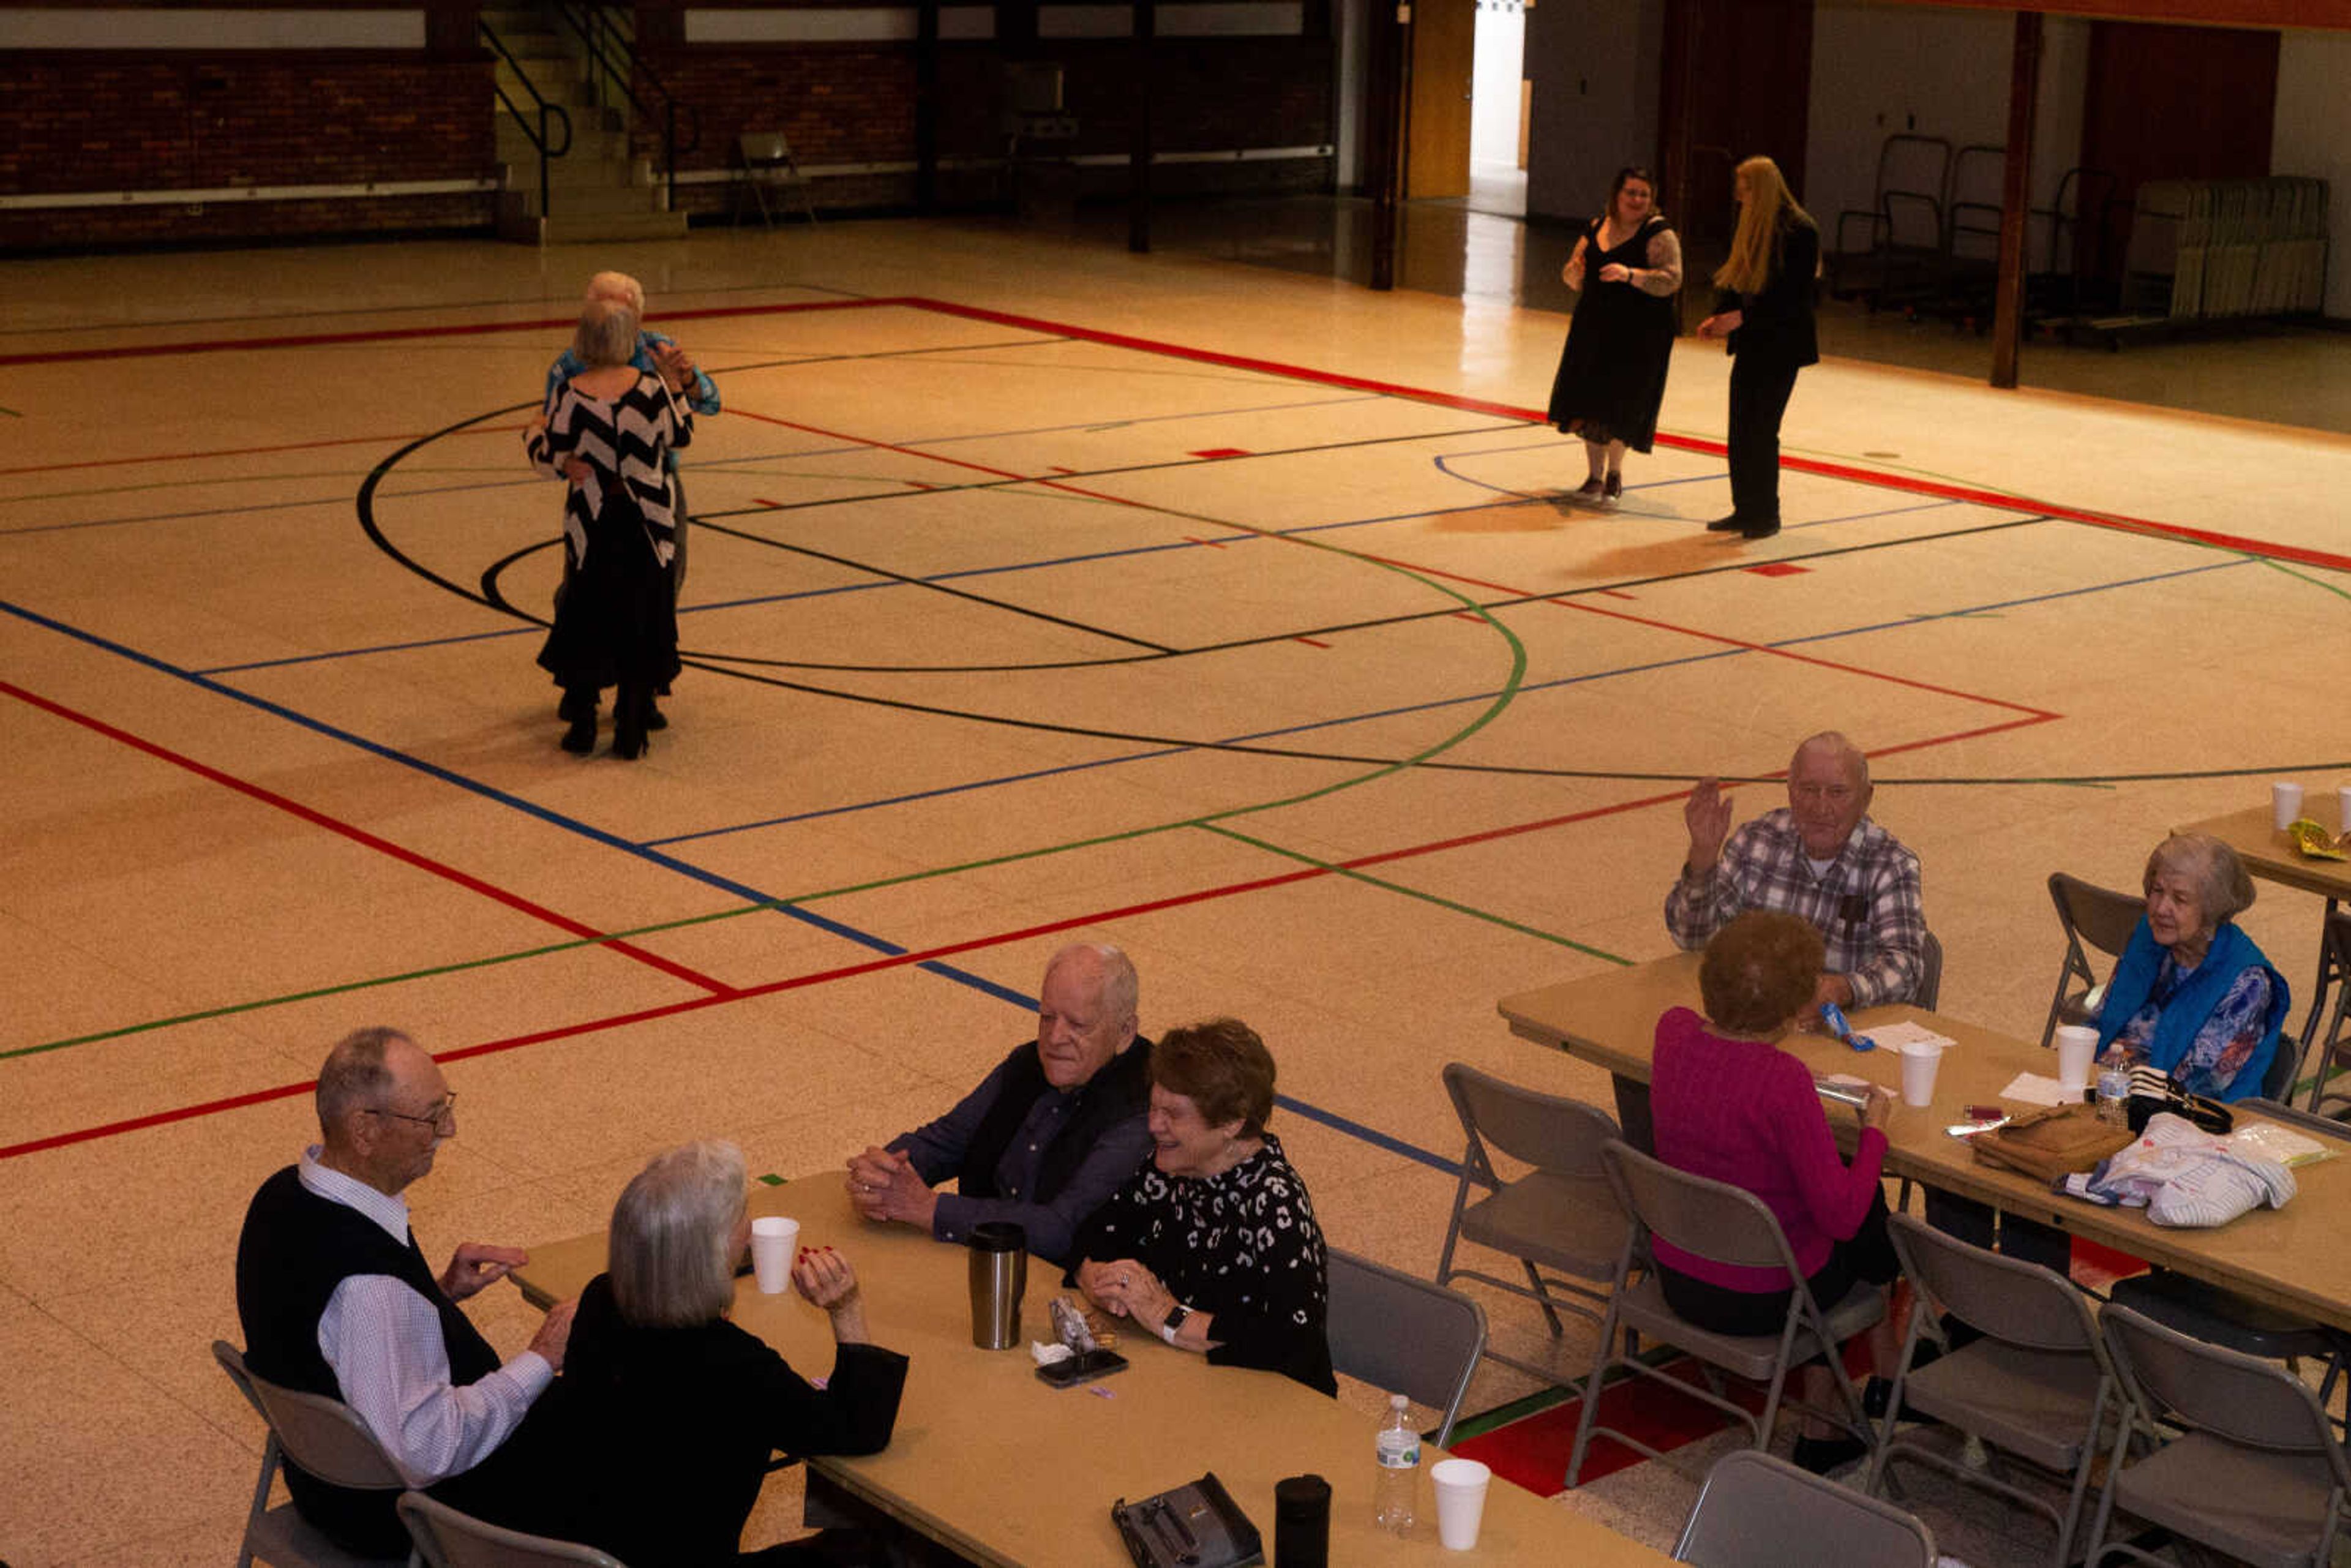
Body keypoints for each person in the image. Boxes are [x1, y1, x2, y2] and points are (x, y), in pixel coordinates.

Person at [233, 1027, 576, 1558]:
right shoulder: (370, 1283)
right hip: (405, 1516)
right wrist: (540, 1357)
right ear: (365, 1130)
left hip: (320, 1479)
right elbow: (425, 1448)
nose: (450, 1129)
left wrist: (435, 1295)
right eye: (432, 1117)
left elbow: (334, 1336)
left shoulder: (281, 1195)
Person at [500, 1141, 907, 1567]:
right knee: (874, 1555)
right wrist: (847, 1309)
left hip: (599, 1542)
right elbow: (858, 1430)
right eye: (740, 1217)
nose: (749, 1229)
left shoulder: (600, 1298)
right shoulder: (736, 1365)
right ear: (709, 1253)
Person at [1650, 911, 1900, 1473]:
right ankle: (1835, 1417)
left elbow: (1704, 1037)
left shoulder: (1673, 1033)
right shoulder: (1783, 1081)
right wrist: (1876, 1134)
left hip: (1679, 1272)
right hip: (1765, 1298)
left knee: (1838, 1201)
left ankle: (1884, 1372)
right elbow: (1839, 1214)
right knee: (1863, 1209)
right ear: (1798, 1005)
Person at [1066, 1017, 1336, 1395]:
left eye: (1173, 1114)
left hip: (1273, 1412)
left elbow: (1291, 1339)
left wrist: (1166, 1316)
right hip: (1183, 1389)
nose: (1153, 1125)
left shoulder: (1275, 1202)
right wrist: (1101, 1282)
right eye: (1153, 1107)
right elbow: (1091, 1234)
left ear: (1231, 1123)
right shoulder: (1170, 1169)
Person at [847, 943, 1152, 1265]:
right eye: (1047, 1018)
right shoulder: (1027, 1064)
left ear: (1125, 1033)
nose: (1054, 1037)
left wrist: (931, 1209)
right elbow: (947, 1139)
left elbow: (1063, 1230)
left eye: (1077, 1025)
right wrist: (885, 1174)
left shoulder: (1143, 1106)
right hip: (982, 1263)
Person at [544, 271, 717, 742]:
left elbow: (550, 439)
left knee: (621, 595)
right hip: (644, 507)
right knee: (603, 596)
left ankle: (608, 702)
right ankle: (617, 704)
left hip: (601, 507)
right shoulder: (643, 386)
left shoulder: (585, 383)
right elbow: (680, 433)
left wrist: (559, 456)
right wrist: (673, 390)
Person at [1667, 731, 1925, 1015]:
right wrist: (1703, 859)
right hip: (1755, 1021)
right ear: (1790, 791)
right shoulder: (1755, 842)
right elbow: (1694, 940)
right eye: (1809, 790)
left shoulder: (1891, 865)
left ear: (1866, 798)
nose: (1821, 807)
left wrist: (1842, 989)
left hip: (1838, 1036)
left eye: (1838, 793)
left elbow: (1906, 970)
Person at [2095, 833, 2290, 1101]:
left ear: (2211, 909)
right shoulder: (2149, 938)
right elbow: (2103, 1019)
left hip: (2183, 1117)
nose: (2162, 908)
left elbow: (2198, 1088)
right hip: (2113, 1090)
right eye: (2157, 891)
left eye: (2180, 899)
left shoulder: (2247, 983)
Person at [1695, 155, 1819, 541]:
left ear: (1760, 189)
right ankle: (1744, 507)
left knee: (1763, 428)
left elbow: (1794, 296)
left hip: (1782, 344)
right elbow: (1736, 279)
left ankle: (1766, 513)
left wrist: (1743, 317)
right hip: (1753, 342)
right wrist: (1720, 316)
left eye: (1743, 189)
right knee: (1740, 426)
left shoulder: (1800, 230)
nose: (1738, 196)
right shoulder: (1750, 223)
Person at [1547, 165, 1683, 506]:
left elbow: (1672, 280)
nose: (1637, 200)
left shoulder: (1659, 233)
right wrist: (1573, 272)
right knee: (1587, 397)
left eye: (1644, 194)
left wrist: (1630, 275)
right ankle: (1594, 475)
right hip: (1593, 327)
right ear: (1617, 195)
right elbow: (1572, 275)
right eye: (1631, 193)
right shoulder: (1597, 226)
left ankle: (1615, 473)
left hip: (1638, 333)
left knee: (1622, 400)